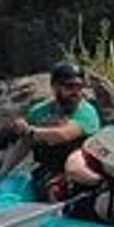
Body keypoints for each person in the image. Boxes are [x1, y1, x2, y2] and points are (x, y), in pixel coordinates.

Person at [12, 61, 100, 200]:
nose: (76, 92)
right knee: (51, 187)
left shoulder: (87, 112)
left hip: (82, 168)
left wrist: (30, 131)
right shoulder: (38, 112)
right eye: (69, 87)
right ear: (54, 87)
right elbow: (24, 142)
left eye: (79, 87)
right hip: (50, 169)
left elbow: (63, 135)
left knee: (64, 188)